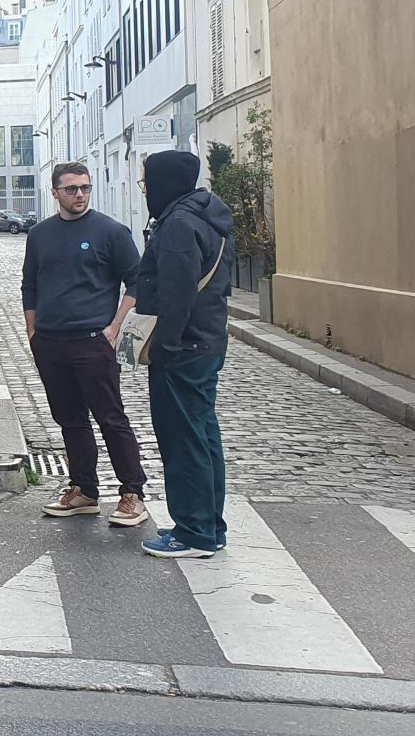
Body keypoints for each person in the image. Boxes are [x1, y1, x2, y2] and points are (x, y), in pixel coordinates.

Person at [22, 162, 148, 527]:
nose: (80, 195)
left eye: (85, 188)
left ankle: (132, 494)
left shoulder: (110, 231)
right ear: (55, 192)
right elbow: (30, 284)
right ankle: (84, 490)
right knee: (70, 420)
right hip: (50, 342)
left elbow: (137, 282)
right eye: (72, 189)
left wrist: (114, 327)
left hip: (93, 342)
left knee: (111, 418)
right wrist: (33, 332)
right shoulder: (40, 234)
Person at [133, 150, 235, 559]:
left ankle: (194, 532)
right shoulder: (207, 217)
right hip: (207, 341)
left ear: (162, 183)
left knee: (183, 440)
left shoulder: (177, 225)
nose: (145, 192)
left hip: (183, 348)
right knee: (204, 436)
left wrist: (164, 347)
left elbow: (176, 296)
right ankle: (211, 525)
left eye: (146, 184)